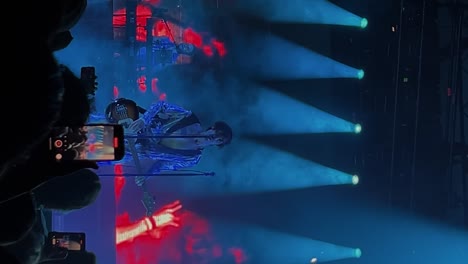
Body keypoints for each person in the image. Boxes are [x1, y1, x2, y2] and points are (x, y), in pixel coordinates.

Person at [103, 98, 233, 187]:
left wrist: (146, 175)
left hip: (132, 152)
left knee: (92, 155)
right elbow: (161, 106)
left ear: (218, 144)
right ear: (212, 128)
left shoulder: (192, 158)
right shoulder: (189, 117)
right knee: (92, 131)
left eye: (219, 139)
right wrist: (144, 119)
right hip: (130, 128)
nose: (215, 137)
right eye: (217, 133)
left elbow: (162, 165)